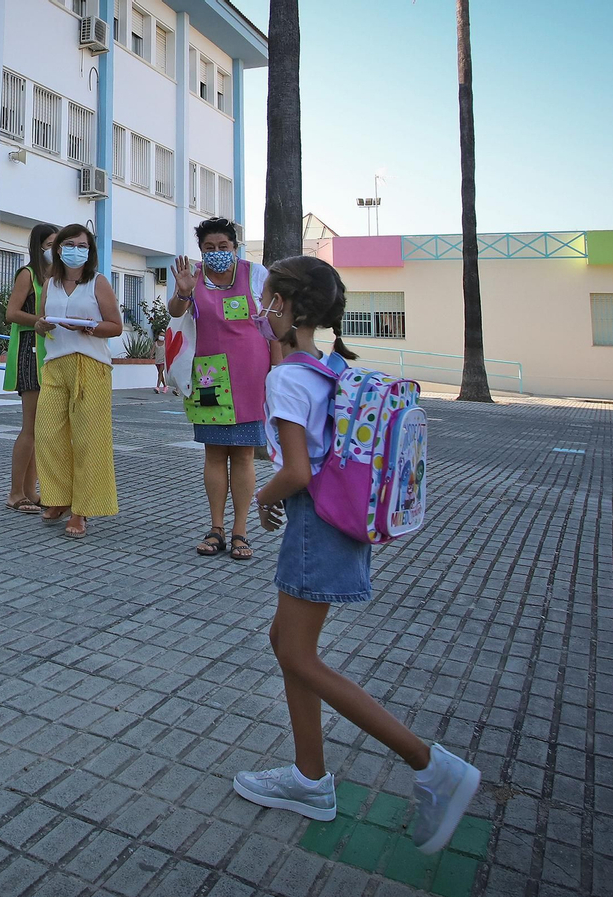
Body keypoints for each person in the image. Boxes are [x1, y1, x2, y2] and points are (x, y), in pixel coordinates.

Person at [233, 255, 480, 854]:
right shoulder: (331, 366)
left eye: (268, 300)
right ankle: (309, 778)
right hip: (342, 519)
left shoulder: (287, 377)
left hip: (314, 522)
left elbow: (295, 469)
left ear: (289, 308)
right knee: (291, 649)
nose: (262, 310)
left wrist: (263, 499)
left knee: (295, 652)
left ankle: (431, 764)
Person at [168, 218, 279, 561]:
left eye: (223, 247)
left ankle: (240, 531)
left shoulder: (256, 274)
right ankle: (216, 528)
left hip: (251, 375)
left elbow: (274, 327)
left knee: (244, 454)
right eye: (209, 248)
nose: (216, 253)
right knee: (215, 453)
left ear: (235, 247)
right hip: (208, 376)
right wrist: (183, 291)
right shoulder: (192, 275)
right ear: (201, 249)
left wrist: (277, 373)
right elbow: (174, 314)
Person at [33, 224, 122, 539]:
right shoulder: (50, 283)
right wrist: (41, 325)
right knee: (47, 434)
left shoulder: (97, 283)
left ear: (90, 251)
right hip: (55, 363)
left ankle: (82, 511)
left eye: (82, 245)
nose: (75, 249)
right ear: (58, 249)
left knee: (89, 440)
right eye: (69, 244)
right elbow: (41, 322)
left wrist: (91, 327)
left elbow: (116, 326)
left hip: (91, 365)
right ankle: (58, 498)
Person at [1, 223, 58, 514]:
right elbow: (11, 313)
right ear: (39, 247)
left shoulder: (56, 279)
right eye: (51, 244)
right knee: (30, 427)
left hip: (49, 355)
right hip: (30, 352)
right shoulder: (28, 275)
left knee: (40, 428)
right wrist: (37, 319)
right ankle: (14, 493)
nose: (56, 249)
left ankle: (30, 491)